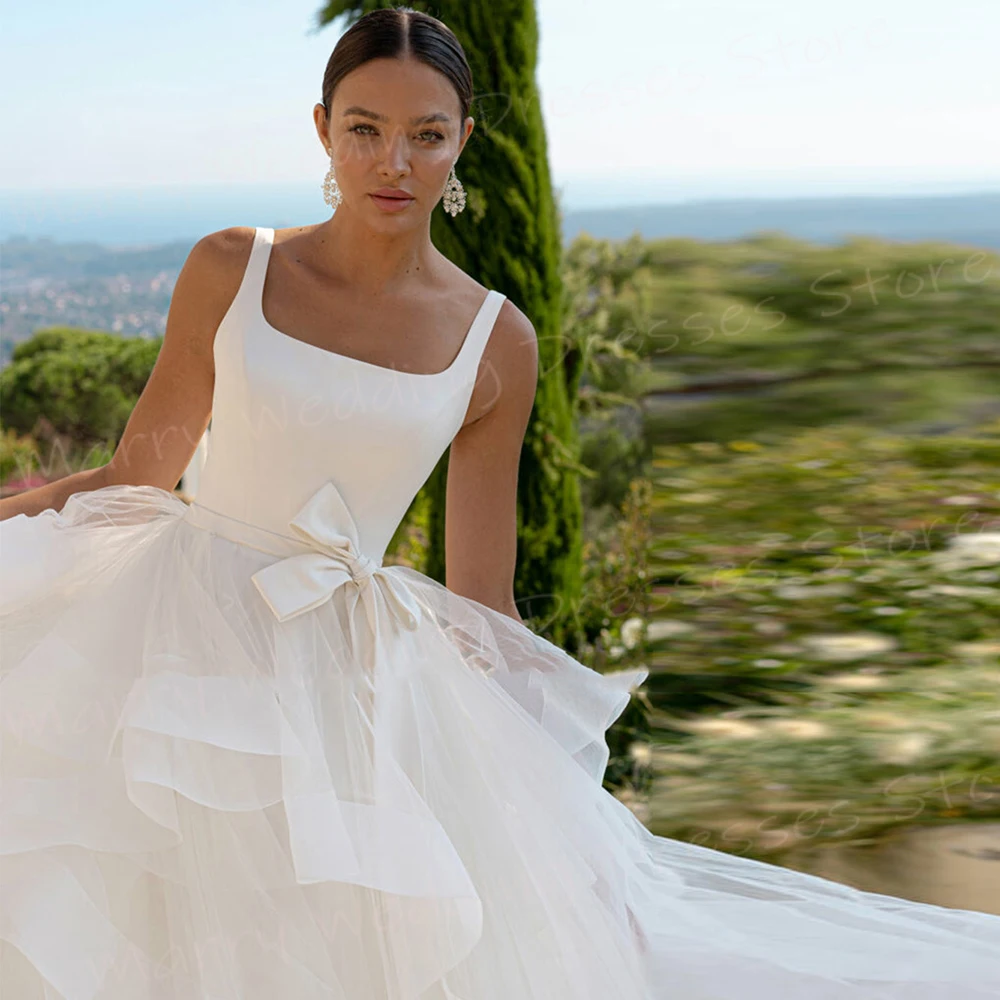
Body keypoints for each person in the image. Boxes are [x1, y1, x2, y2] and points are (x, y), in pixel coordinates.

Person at [2, 7, 999, 999]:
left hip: (345, 688)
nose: (393, 161)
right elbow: (140, 473)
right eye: (365, 129)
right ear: (321, 129)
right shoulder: (232, 266)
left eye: (426, 135)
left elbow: (483, 599)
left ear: (462, 142)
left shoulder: (496, 340)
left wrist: (559, 820)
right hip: (171, 642)